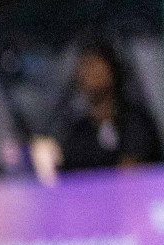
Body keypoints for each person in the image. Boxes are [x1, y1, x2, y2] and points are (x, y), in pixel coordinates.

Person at [31, 40, 162, 185]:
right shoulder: (78, 131)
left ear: (111, 69)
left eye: (93, 64)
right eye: (83, 66)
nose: (86, 73)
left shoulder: (135, 121)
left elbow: (131, 177)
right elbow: (66, 177)